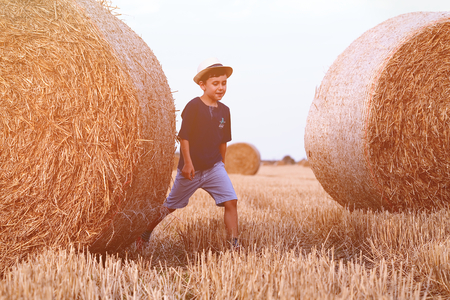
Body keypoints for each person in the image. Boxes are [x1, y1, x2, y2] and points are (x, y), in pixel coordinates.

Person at [139, 57, 239, 249]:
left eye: (224, 83)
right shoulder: (193, 106)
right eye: (215, 83)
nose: (221, 88)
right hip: (192, 168)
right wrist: (187, 163)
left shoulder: (225, 111)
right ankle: (145, 232)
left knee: (231, 201)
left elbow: (223, 141)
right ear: (202, 85)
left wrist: (222, 165)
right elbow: (184, 137)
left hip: (214, 167)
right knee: (171, 206)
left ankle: (234, 244)